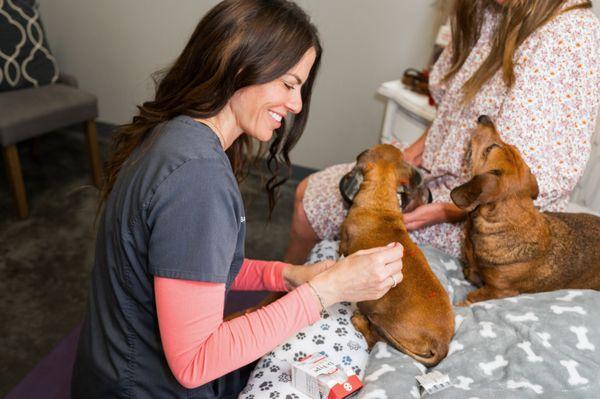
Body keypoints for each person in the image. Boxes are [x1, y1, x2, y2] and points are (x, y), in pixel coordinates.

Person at [70, 1, 405, 398]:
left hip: (107, 374)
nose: (296, 105)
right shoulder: (198, 180)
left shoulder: (174, 135)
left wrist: (287, 275)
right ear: (242, 66)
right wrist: (326, 291)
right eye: (289, 84)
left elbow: (195, 267)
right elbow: (195, 364)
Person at [284, 0, 600, 265]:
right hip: (439, 183)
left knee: (309, 198)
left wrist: (444, 210)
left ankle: (287, 301)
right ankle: (286, 292)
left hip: (484, 219)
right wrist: (410, 156)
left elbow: (526, 184)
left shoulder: (571, 36)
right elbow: (454, 109)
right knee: (307, 195)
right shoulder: (494, 11)